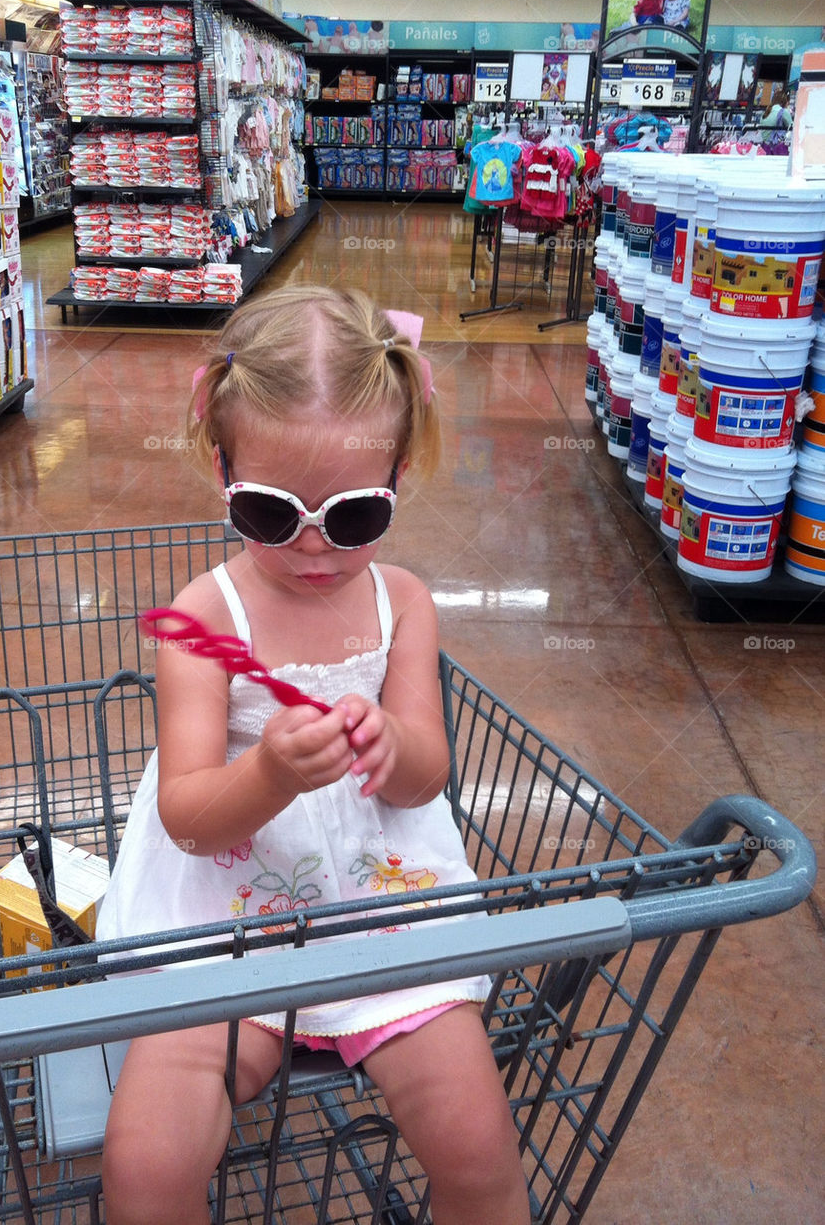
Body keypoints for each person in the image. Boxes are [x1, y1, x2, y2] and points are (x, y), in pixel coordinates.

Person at [97, 284, 531, 1225]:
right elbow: (187, 814)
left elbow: (426, 777)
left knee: (480, 1152)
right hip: (227, 901)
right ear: (220, 468)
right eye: (267, 510)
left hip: (382, 889)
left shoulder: (402, 603)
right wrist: (269, 774)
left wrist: (392, 743)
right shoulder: (204, 618)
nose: (312, 550)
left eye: (351, 518)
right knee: (145, 1168)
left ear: (399, 475)